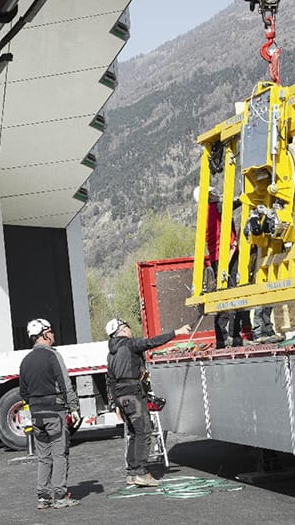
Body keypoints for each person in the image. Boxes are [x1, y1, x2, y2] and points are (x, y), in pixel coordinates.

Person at [106, 317, 191, 486]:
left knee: (133, 433)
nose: (130, 329)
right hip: (133, 394)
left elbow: (110, 380)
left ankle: (132, 472)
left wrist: (115, 404)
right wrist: (176, 333)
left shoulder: (111, 354)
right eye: (128, 326)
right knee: (144, 432)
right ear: (122, 330)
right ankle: (140, 472)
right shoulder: (129, 345)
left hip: (122, 397)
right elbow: (152, 342)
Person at [18, 318, 81, 510]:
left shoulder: (25, 361)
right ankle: (60, 496)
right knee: (59, 454)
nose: (53, 335)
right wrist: (74, 407)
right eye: (51, 331)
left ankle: (43, 497)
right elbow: (64, 383)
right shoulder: (53, 356)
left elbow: (23, 392)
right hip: (55, 412)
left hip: (36, 414)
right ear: (44, 334)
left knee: (44, 457)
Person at [197, 187, 244, 348]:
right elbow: (233, 204)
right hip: (227, 253)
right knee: (233, 293)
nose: (217, 193)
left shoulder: (204, 213)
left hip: (216, 256)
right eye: (213, 192)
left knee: (223, 295)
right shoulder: (216, 207)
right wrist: (244, 197)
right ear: (209, 196)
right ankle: (234, 336)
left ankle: (221, 338)